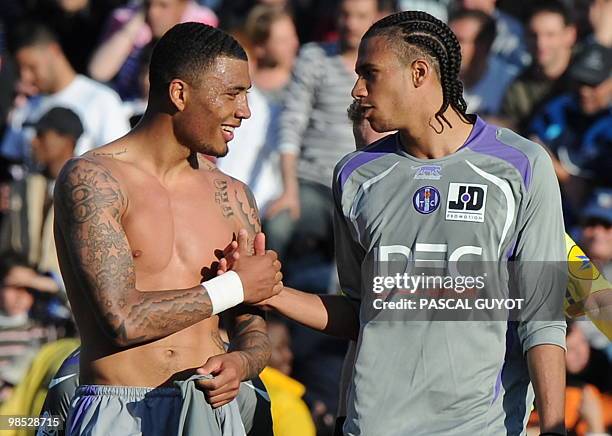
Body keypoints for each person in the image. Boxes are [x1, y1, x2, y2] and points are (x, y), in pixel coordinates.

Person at [258, 10, 568, 435]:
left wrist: (554, 425)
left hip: (478, 426)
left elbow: (543, 315)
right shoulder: (355, 174)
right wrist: (268, 293)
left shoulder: (521, 166)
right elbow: (359, 313)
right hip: (375, 425)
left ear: (419, 72)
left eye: (370, 73)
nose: (357, 89)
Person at [53, 22, 283, 435]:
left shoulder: (234, 196)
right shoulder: (93, 179)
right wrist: (235, 287)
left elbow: (252, 324)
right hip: (119, 410)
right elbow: (121, 321)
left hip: (211, 411)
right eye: (233, 93)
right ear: (179, 93)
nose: (245, 110)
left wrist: (242, 362)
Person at [264, 0, 383, 261]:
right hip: (312, 184)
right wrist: (289, 189)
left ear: (377, 17)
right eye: (345, 15)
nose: (350, 23)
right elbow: (291, 124)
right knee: (277, 226)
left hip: (366, 187)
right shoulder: (314, 57)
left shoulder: (386, 69)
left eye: (360, 16)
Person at [1, 22, 129, 163]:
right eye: (20, 69)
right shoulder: (26, 107)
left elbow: (121, 163)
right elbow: (9, 163)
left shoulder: (101, 100)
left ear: (54, 51)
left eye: (32, 67)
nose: (25, 76)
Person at [0, 107, 84, 278]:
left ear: (67, 141)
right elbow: (7, 248)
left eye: (41, 135)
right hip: (23, 294)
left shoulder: (87, 192)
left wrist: (50, 285)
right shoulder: (22, 186)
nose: (33, 142)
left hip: (69, 298)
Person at [88, 0, 218, 100]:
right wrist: (132, 26)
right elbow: (98, 72)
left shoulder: (202, 28)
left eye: (163, 5)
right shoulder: (125, 18)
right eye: (149, 4)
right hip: (124, 105)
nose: (153, 12)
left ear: (183, 6)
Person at [500, 0, 577, 133]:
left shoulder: (592, 74)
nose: (540, 43)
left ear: (570, 35)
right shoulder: (518, 89)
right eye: (533, 35)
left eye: (550, 35)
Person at [449, 8, 520, 116]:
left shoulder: (511, 82)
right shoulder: (434, 77)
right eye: (446, 38)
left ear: (483, 45)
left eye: (460, 40)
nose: (449, 46)